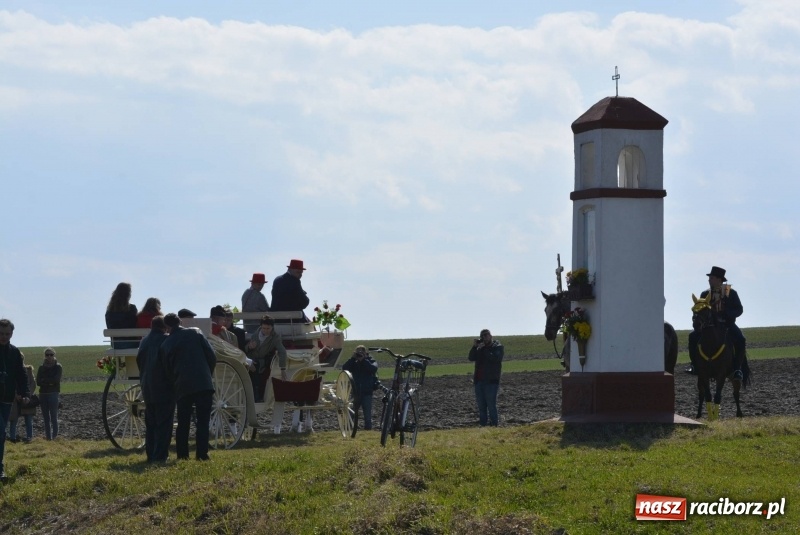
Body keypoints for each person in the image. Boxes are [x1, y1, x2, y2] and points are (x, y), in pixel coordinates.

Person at [160, 313, 216, 461]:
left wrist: (175, 382)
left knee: (183, 422)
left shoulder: (166, 344)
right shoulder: (195, 332)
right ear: (180, 322)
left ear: (167, 327)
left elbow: (167, 370)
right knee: (203, 421)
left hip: (182, 386)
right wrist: (207, 374)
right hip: (203, 383)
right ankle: (202, 454)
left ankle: (182, 454)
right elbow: (211, 355)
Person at [687, 266, 747, 380]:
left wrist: (728, 314)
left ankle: (737, 369)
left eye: (712, 278)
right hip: (707, 326)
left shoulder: (731, 293)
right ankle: (694, 365)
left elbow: (739, 309)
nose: (709, 280)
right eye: (710, 278)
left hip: (727, 324)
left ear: (719, 280)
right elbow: (700, 309)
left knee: (741, 339)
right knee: (692, 336)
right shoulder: (705, 294)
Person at [136, 315, 174, 463]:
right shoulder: (166, 339)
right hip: (164, 387)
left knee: (151, 423)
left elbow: (140, 362)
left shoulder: (144, 341)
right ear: (164, 327)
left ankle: (150, 454)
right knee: (164, 423)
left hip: (147, 387)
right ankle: (160, 455)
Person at [0, 319, 32, 481]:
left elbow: (21, 375)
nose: (4, 337)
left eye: (7, 334)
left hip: (6, 399)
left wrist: (25, 392)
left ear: (12, 334)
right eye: (1, 333)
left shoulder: (14, 352)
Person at [246, 315, 288, 402]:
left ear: (272, 327)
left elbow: (282, 351)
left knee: (257, 373)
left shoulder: (275, 337)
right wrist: (249, 347)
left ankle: (257, 397)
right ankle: (252, 396)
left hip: (261, 361)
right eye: (263, 328)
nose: (265, 330)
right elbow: (246, 348)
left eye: (268, 328)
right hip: (249, 359)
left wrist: (283, 368)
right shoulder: (256, 333)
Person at [468, 329, 504, 427]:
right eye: (482, 336)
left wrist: (485, 349)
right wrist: (474, 347)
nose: (484, 338)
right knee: (481, 406)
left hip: (491, 381)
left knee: (491, 404)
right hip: (479, 381)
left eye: (486, 335)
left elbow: (495, 359)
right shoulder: (480, 349)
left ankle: (494, 424)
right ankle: (483, 424)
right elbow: (471, 357)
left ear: (491, 336)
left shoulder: (497, 347)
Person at [342, 345, 379, 431]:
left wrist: (364, 360)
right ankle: (348, 428)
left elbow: (373, 369)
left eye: (362, 352)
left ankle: (368, 429)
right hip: (355, 391)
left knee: (367, 414)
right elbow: (344, 368)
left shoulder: (371, 361)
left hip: (367, 391)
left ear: (366, 353)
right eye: (358, 352)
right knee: (351, 412)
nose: (360, 354)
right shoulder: (353, 362)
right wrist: (352, 359)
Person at [8, 353, 36, 444]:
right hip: (15, 399)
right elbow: (9, 384)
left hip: (26, 399)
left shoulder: (28, 370)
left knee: (28, 419)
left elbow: (33, 384)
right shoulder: (10, 370)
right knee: (13, 419)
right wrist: (15, 395)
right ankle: (12, 438)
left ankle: (29, 438)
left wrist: (27, 396)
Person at [37, 347, 62, 440]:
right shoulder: (41, 367)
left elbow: (56, 380)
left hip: (53, 393)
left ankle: (55, 437)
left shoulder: (58, 367)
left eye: (51, 354)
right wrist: (49, 381)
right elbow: (38, 382)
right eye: (47, 355)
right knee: (46, 418)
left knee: (54, 417)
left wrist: (45, 381)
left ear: (54, 355)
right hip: (43, 394)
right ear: (45, 356)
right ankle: (48, 438)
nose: (49, 356)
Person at [105, 282, 139, 348]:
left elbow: (109, 326)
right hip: (132, 343)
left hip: (116, 344)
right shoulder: (132, 308)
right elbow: (135, 324)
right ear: (128, 295)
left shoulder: (109, 310)